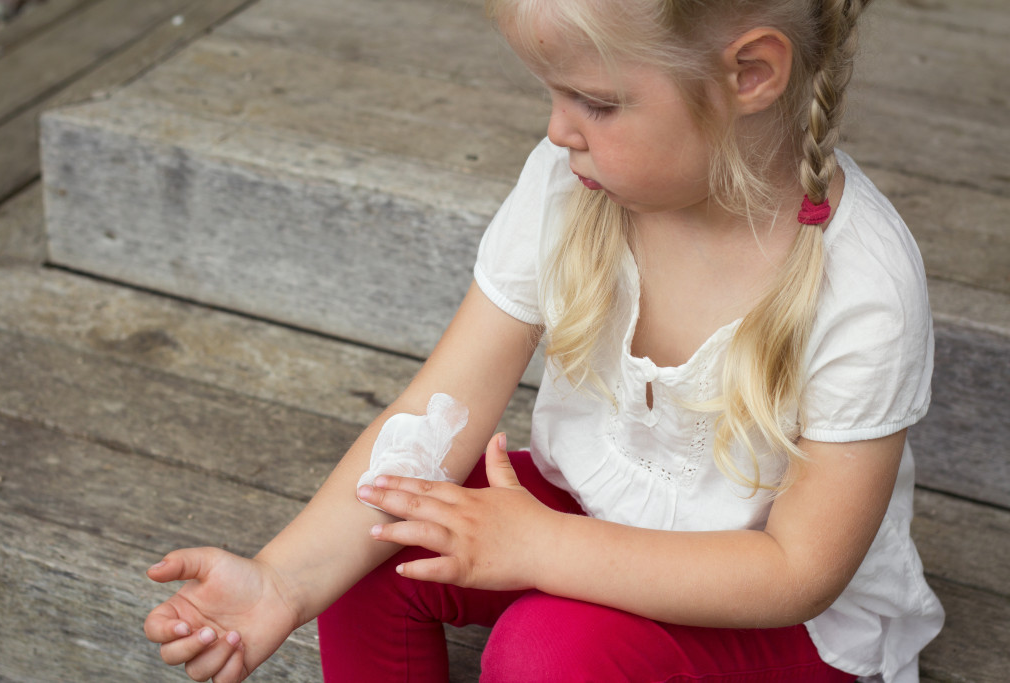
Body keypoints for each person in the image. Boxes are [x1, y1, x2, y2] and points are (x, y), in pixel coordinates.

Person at [143, 0, 945, 681]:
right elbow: (437, 405)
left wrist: (545, 546)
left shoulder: (861, 282)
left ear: (750, 75)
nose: (558, 128)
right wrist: (282, 579)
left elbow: (796, 573)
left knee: (548, 650)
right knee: (389, 527)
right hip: (587, 515)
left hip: (776, 620)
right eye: (553, 94)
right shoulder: (570, 185)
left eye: (595, 102)